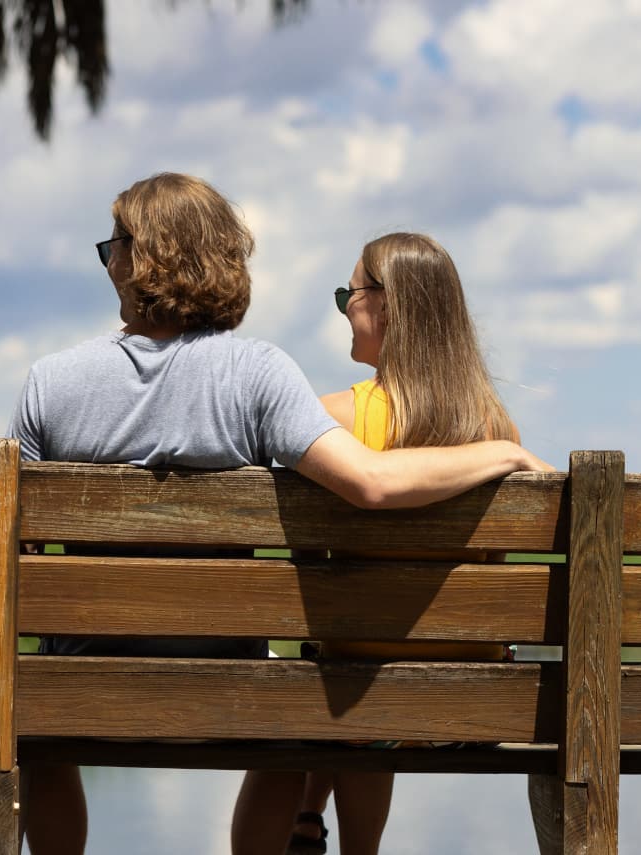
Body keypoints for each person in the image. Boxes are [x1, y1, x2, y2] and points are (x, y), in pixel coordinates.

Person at [7, 174, 551, 855]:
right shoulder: (259, 374)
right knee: (291, 711)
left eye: (111, 245)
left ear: (135, 260)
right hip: (229, 682)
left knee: (40, 713)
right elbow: (372, 484)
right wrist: (503, 452)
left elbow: (19, 558)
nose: (108, 259)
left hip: (77, 685)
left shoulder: (49, 383)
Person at [261, 232, 524, 855]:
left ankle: (306, 818)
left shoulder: (331, 421)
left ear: (389, 305)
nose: (344, 310)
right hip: (469, 704)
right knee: (364, 668)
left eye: (347, 294)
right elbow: (498, 567)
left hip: (356, 702)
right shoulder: (495, 429)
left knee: (344, 673)